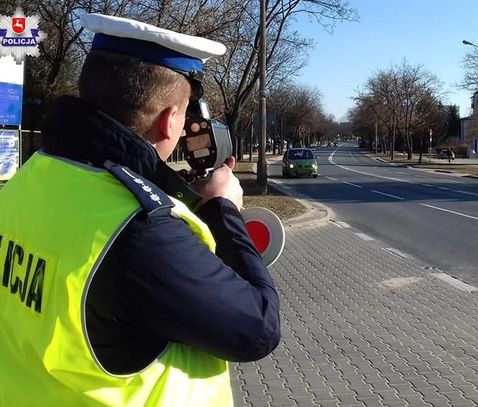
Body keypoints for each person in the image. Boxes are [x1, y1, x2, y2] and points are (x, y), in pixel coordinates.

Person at [0, 14, 280, 406]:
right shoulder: (140, 229)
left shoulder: (33, 175)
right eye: (184, 118)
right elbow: (258, 328)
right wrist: (223, 209)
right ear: (169, 121)